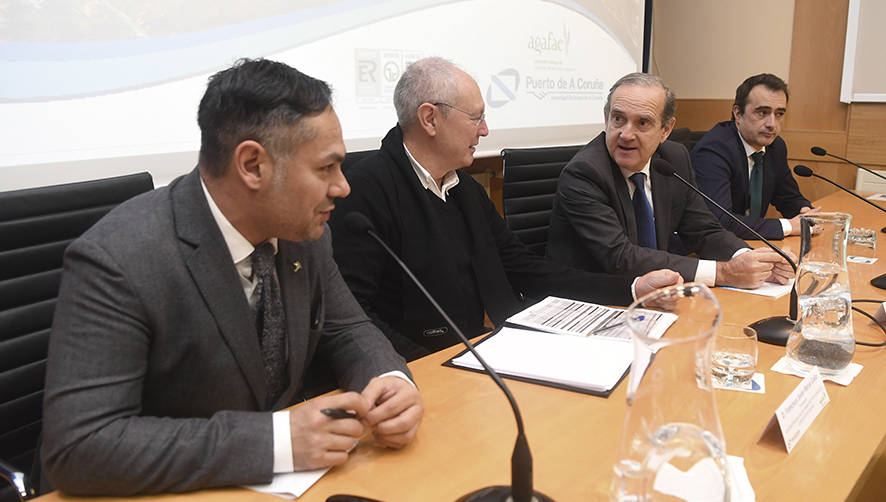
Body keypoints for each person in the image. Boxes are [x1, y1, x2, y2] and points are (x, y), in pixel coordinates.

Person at [41, 59, 423, 496]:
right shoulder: (119, 259)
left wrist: (391, 383)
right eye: (325, 169)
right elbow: (80, 447)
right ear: (252, 165)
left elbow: (348, 329)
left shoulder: (306, 234)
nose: (343, 187)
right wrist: (277, 443)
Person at [329, 58, 681, 362]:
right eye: (476, 118)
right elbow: (353, 314)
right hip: (417, 369)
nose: (485, 130)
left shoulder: (464, 189)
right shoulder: (365, 192)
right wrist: (420, 370)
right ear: (430, 119)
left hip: (482, 352)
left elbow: (525, 268)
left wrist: (632, 289)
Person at [546, 72, 794, 289]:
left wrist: (751, 259)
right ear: (606, 117)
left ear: (666, 129)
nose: (626, 134)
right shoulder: (584, 172)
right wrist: (724, 273)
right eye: (618, 118)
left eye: (642, 122)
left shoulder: (673, 158)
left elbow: (704, 230)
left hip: (655, 294)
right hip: (591, 299)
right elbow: (621, 257)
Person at [691, 73, 815, 240]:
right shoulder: (714, 151)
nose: (772, 124)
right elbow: (720, 221)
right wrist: (787, 226)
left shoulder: (775, 147)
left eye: (779, 114)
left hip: (753, 245)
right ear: (738, 114)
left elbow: (788, 197)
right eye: (762, 113)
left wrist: (804, 212)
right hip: (712, 248)